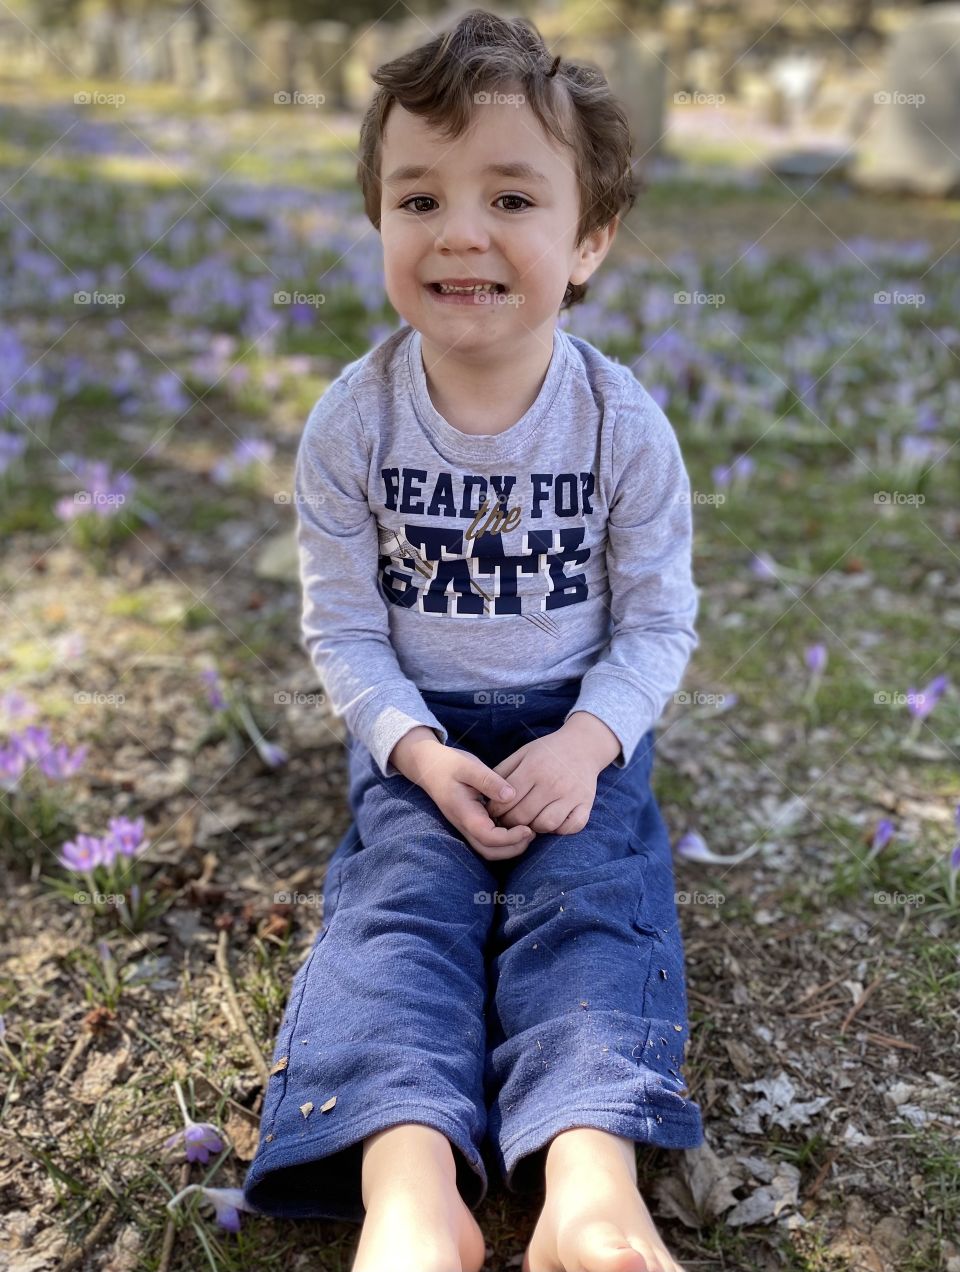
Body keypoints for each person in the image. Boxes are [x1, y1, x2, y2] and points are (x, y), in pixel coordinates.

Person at [243, 10, 703, 1271]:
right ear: (381, 222)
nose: (458, 230)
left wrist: (587, 744)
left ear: (589, 238)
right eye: (418, 197)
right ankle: (409, 1185)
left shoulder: (621, 425)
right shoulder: (350, 425)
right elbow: (342, 629)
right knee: (399, 913)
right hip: (423, 738)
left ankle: (588, 1185)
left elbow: (658, 621)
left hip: (577, 730)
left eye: (510, 195)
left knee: (593, 905)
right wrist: (418, 755)